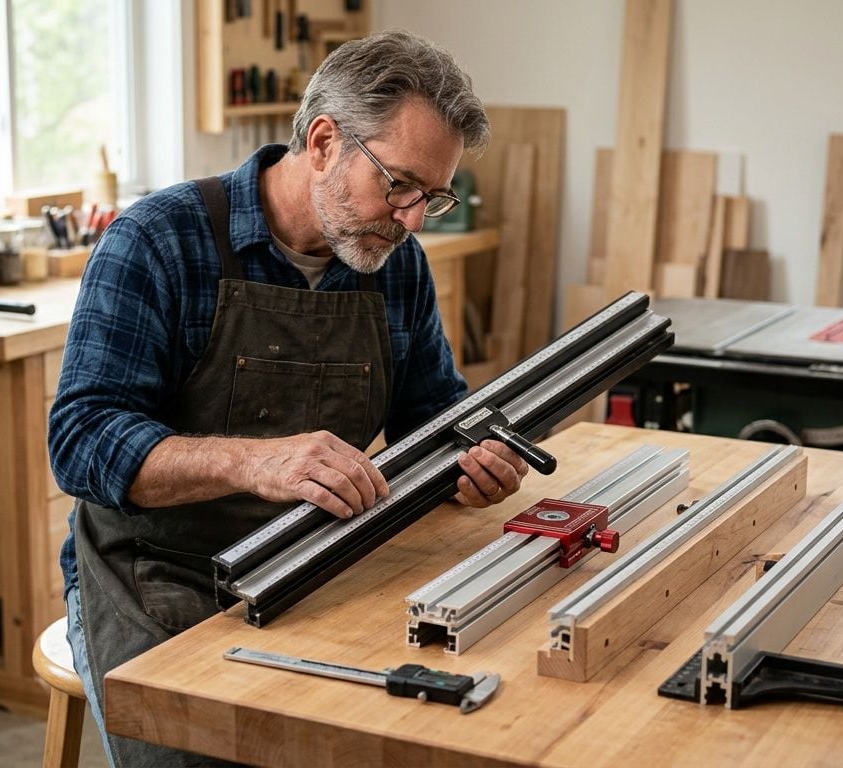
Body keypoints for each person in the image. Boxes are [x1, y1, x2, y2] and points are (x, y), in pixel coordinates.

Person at [48, 29, 529, 766]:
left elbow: (434, 419)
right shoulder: (158, 241)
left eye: (431, 196)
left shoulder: (395, 267)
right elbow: (80, 442)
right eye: (398, 184)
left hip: (318, 558)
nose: (411, 220)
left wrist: (471, 461)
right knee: (195, 751)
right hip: (158, 572)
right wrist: (252, 463)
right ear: (326, 141)